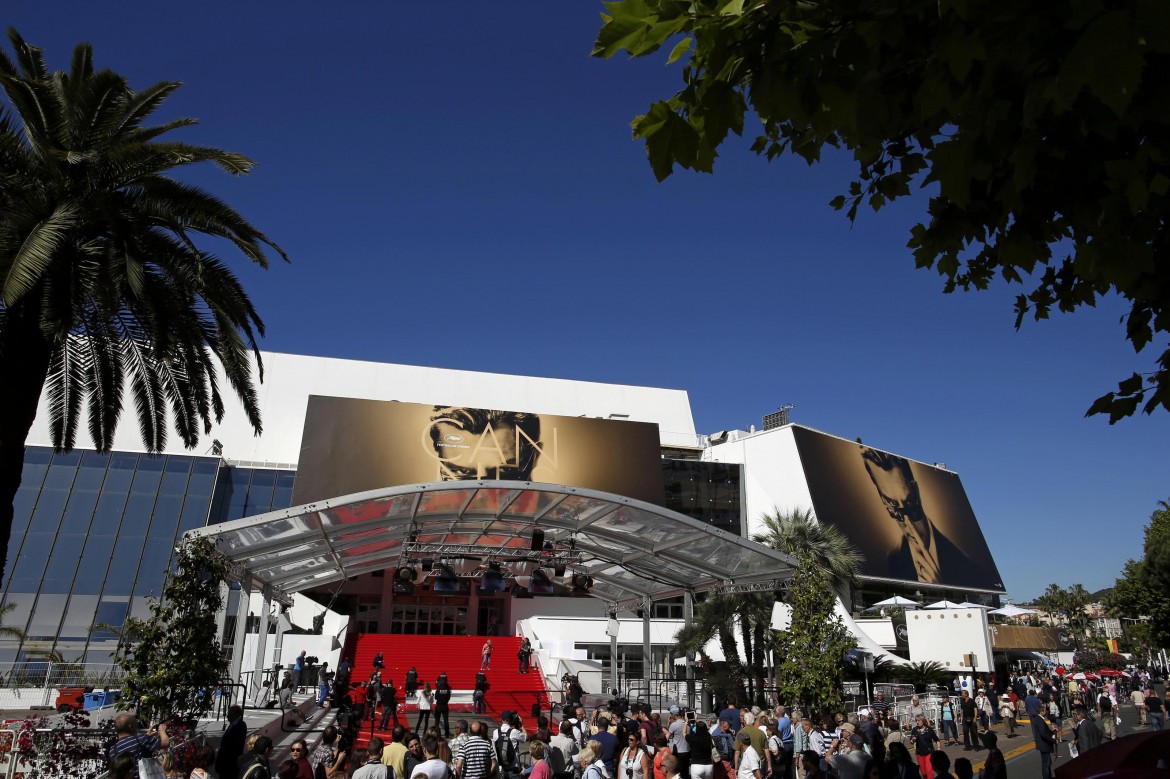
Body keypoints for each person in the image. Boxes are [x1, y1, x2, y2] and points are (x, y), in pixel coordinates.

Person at [860, 447, 975, 584]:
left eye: (910, 504)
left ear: (916, 491)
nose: (908, 523)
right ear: (883, 502)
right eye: (894, 509)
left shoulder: (966, 565)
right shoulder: (894, 559)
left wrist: (940, 586)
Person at [108, 712, 171, 777]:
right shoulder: (140, 739)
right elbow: (165, 743)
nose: (137, 726)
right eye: (135, 723)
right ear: (130, 726)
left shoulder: (112, 750)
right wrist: (162, 731)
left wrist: (147, 736)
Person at [217, 705, 247, 779]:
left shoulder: (241, 725)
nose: (227, 716)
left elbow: (236, 745)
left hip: (230, 763)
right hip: (224, 762)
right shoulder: (232, 725)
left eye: (230, 713)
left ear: (236, 714)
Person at [1030, 709, 1056, 779]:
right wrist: (1052, 739)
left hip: (1042, 744)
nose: (1046, 712)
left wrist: (1051, 731)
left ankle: (1049, 776)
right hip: (1044, 744)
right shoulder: (1039, 720)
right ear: (1041, 712)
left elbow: (1044, 731)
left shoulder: (1038, 719)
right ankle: (1047, 777)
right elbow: (1043, 733)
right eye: (1044, 711)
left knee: (1047, 762)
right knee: (1046, 764)